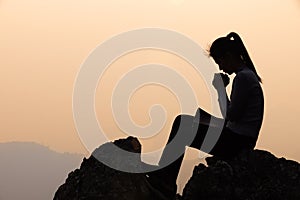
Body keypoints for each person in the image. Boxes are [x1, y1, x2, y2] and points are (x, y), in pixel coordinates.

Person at [146, 32, 264, 199]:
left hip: (237, 143)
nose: (220, 67)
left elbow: (232, 116)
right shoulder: (246, 76)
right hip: (238, 136)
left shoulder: (244, 78)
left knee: (183, 126)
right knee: (184, 120)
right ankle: (165, 174)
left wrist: (221, 90)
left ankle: (165, 179)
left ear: (229, 56)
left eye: (220, 62)